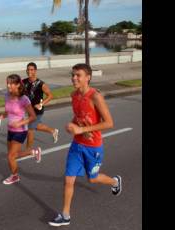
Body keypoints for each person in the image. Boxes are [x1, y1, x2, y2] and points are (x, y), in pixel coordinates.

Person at [48, 63, 122, 227]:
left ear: (88, 77)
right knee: (68, 180)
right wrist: (72, 125)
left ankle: (115, 182)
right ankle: (65, 215)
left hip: (93, 147)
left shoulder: (95, 96)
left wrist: (82, 128)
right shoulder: (73, 95)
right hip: (77, 145)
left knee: (93, 179)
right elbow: (79, 116)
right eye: (73, 75)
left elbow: (109, 123)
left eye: (78, 75)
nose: (74, 78)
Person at [0, 74, 40, 185]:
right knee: (12, 155)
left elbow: (33, 116)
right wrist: (1, 117)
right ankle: (33, 152)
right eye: (7, 83)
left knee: (11, 156)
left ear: (18, 84)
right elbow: (8, 111)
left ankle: (15, 176)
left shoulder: (24, 99)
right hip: (10, 130)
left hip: (20, 131)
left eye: (11, 83)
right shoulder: (6, 96)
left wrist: (20, 123)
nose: (8, 85)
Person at [22, 62, 59, 156]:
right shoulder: (24, 82)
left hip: (38, 111)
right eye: (28, 69)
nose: (29, 71)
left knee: (30, 129)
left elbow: (50, 96)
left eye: (31, 69)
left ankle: (28, 150)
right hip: (29, 110)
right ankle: (53, 131)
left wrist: (41, 104)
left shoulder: (41, 84)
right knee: (36, 126)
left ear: (35, 71)